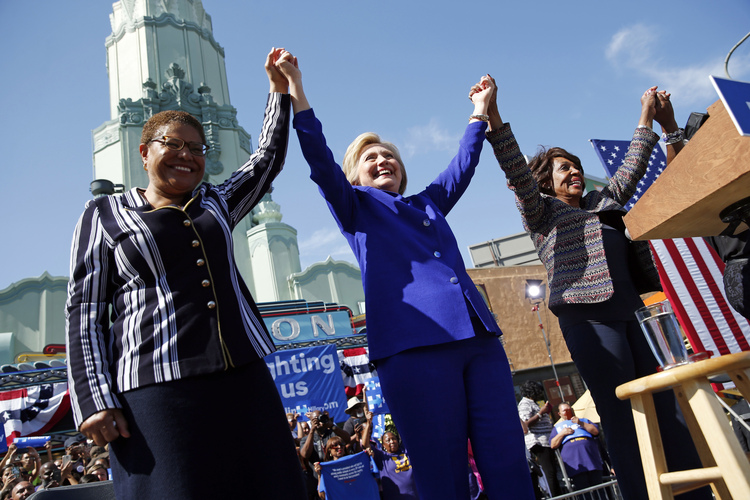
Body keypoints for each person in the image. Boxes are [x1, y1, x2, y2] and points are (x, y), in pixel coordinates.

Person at [276, 51, 534, 500]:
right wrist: (297, 93)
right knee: (444, 476)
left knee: (508, 462)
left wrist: (478, 113)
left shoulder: (428, 203)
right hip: (413, 350)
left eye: (389, 155)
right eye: (370, 157)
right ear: (353, 177)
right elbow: (319, 160)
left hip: (478, 341)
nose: (382, 160)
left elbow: (463, 165)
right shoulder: (355, 208)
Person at [65, 48, 306, 500]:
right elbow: (85, 311)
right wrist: (94, 400)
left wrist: (279, 92)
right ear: (144, 151)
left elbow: (266, 160)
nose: (186, 155)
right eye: (172, 144)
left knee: (269, 487)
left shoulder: (215, 201)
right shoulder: (104, 214)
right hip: (157, 392)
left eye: (196, 148)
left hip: (243, 379)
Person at [487, 81, 711, 500]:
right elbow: (516, 170)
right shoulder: (542, 214)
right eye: (563, 169)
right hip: (589, 319)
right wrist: (494, 117)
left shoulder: (602, 202)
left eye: (575, 166)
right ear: (546, 184)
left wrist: (647, 116)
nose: (573, 172)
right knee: (623, 415)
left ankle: (695, 492)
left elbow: (633, 164)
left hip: (633, 313)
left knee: (667, 406)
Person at [362, 410, 418, 499]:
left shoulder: (406, 451)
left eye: (393, 439)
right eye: (388, 440)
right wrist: (369, 422)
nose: (391, 441)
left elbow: (407, 431)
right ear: (383, 445)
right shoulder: (382, 457)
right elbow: (365, 444)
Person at [549, 403, 603, 496]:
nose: (568, 411)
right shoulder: (557, 427)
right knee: (584, 494)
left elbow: (595, 431)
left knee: (599, 492)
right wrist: (562, 433)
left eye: (569, 409)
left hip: (592, 462)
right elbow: (553, 445)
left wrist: (580, 423)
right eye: (565, 410)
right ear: (559, 414)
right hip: (575, 465)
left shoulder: (584, 420)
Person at [517, 381, 559, 496]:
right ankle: (555, 496)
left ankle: (558, 495)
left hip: (546, 441)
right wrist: (541, 413)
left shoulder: (533, 403)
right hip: (538, 442)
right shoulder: (525, 404)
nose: (540, 394)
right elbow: (525, 424)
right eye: (538, 391)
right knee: (548, 472)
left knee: (552, 471)